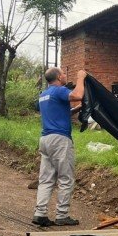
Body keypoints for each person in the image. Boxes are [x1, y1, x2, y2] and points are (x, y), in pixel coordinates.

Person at [32, 67, 86, 227]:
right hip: (60, 140)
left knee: (46, 179)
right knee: (66, 178)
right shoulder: (58, 90)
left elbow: (60, 113)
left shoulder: (43, 95)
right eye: (63, 74)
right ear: (57, 77)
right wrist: (80, 77)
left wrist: (79, 109)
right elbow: (77, 95)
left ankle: (40, 213)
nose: (64, 76)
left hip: (45, 139)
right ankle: (62, 215)